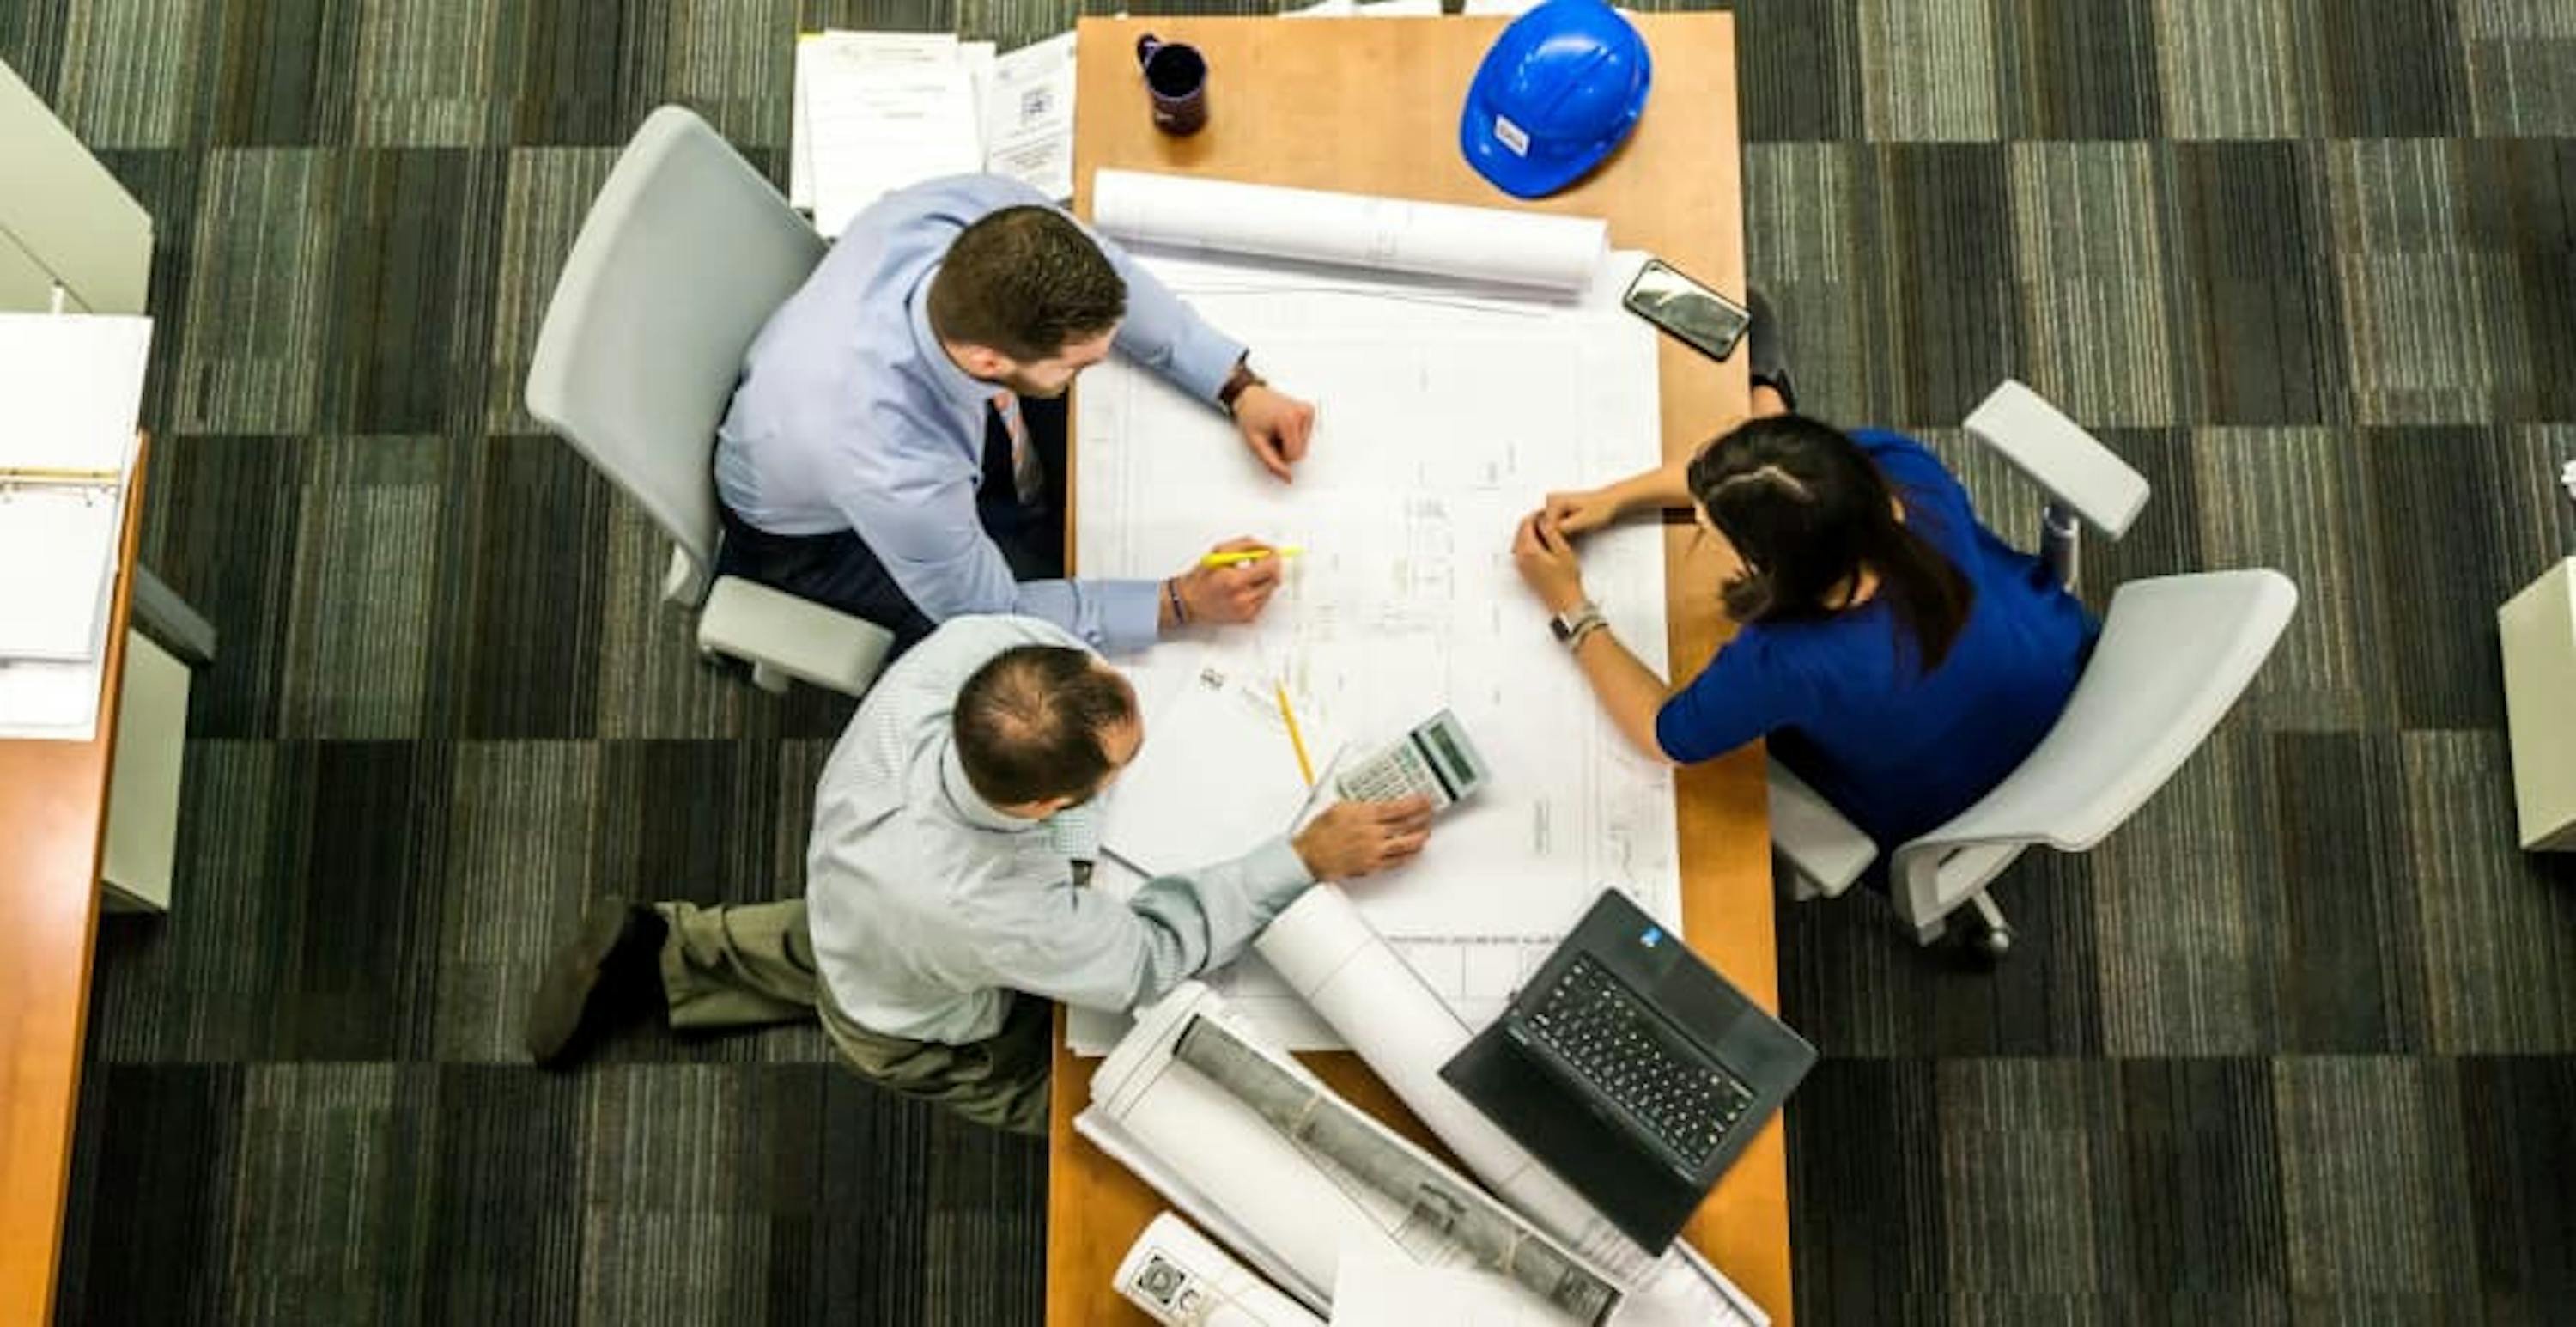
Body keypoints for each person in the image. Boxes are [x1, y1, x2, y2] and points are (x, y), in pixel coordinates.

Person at [524, 615, 1433, 1135]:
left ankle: (668, 950)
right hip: (915, 1017)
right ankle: (1111, 1121)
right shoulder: (996, 910)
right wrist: (1303, 856)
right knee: (1100, 1099)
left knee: (846, 938)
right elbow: (1146, 959)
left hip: (859, 892)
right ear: (1044, 808)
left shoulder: (974, 657)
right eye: (1123, 764)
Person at [1507, 336, 2095, 887]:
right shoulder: (1899, 470)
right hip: (2059, 666)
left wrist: (1570, 605)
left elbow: (1665, 734)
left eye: (1713, 530)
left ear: (1772, 565)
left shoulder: (1788, 658)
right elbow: (1762, 473)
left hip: (1946, 798)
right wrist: (1612, 500)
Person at [714, 173, 1321, 657]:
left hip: (829, 399)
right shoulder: (895, 466)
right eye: (1078, 365)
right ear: (988, 358)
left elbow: (1113, 277)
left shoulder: (981, 216)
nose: (1097, 366)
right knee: (1030, 654)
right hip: (817, 539)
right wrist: (1179, 602)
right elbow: (991, 614)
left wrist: (1235, 385)